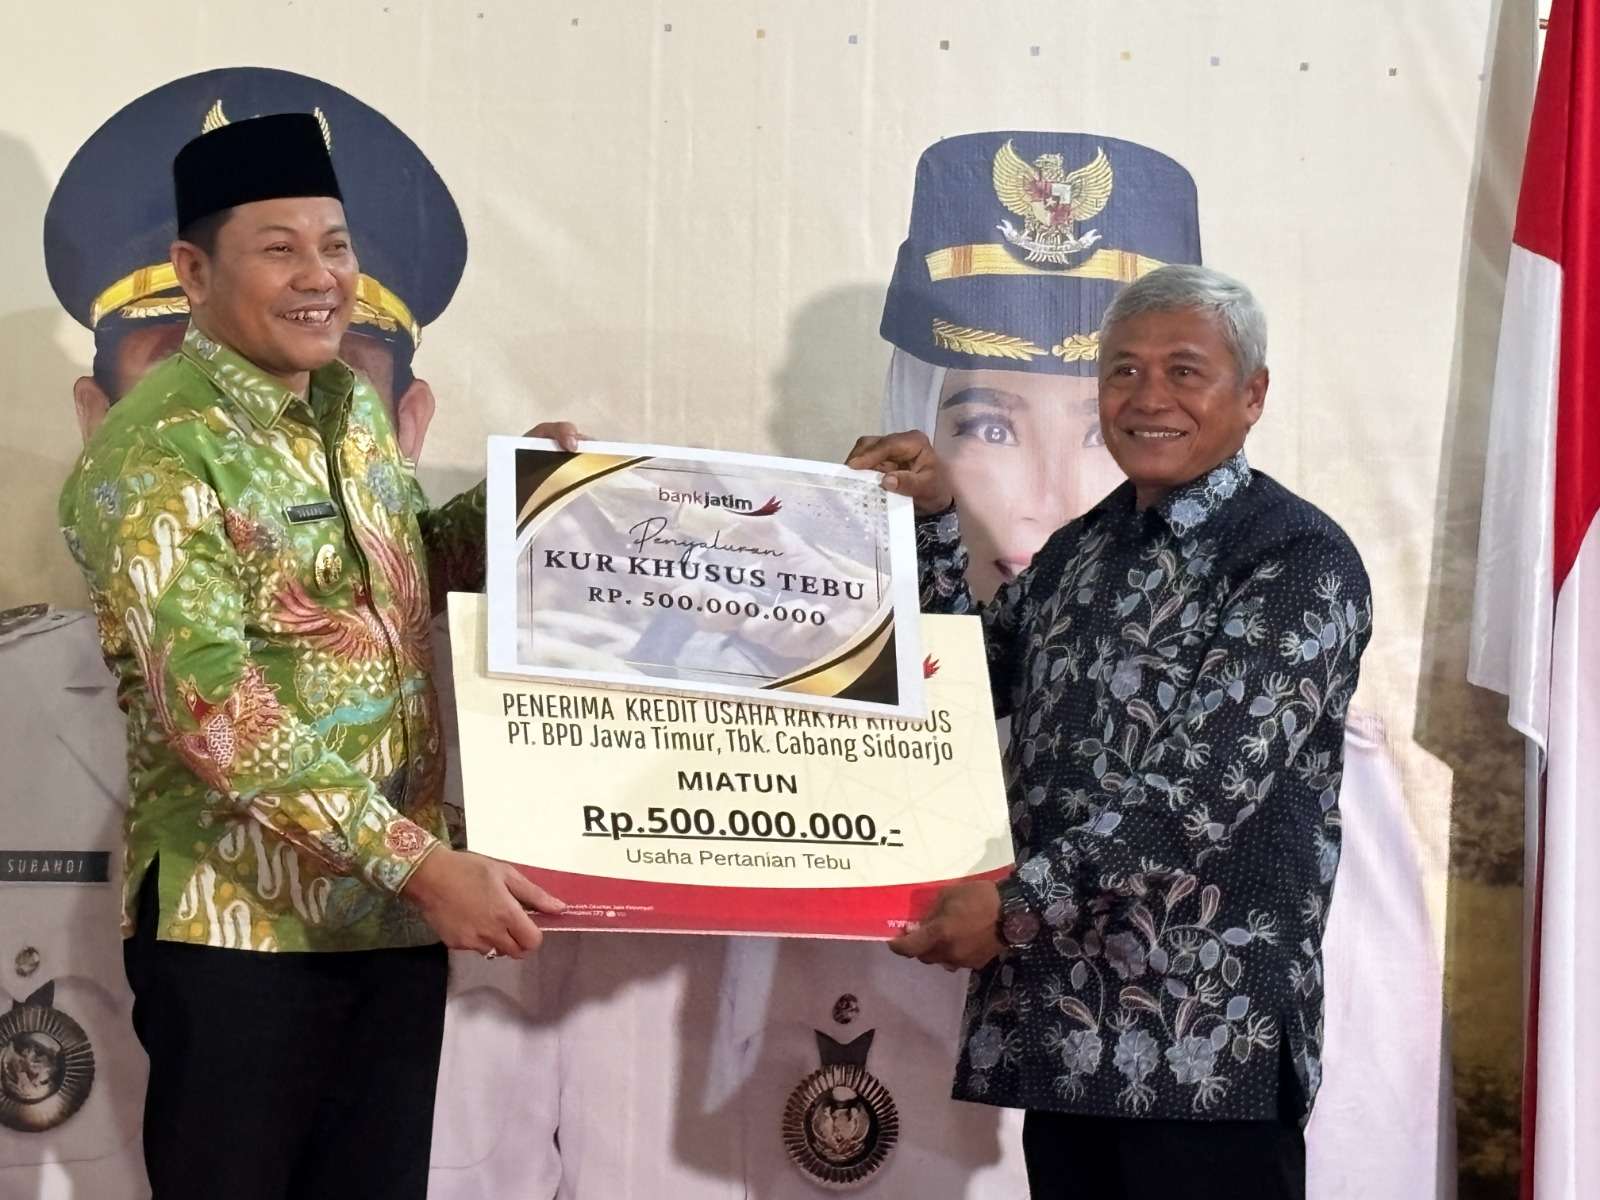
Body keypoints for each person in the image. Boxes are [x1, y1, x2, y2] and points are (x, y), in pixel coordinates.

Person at [55, 111, 574, 1199]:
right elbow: (213, 711)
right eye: (279, 249)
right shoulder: (158, 449)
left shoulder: (347, 410)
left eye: (335, 246)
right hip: (241, 938)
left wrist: (532, 502)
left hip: (384, 921)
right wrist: (423, 865)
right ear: (194, 271)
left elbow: (397, 574)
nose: (319, 277)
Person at [849, 263, 1373, 1199]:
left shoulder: (1297, 559)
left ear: (1252, 395)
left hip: (1203, 1042)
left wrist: (1007, 905)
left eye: (1185, 370)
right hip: (1063, 1026)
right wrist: (930, 521)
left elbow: (1200, 796)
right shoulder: (1081, 551)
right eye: (1124, 370)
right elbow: (959, 685)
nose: (1148, 397)